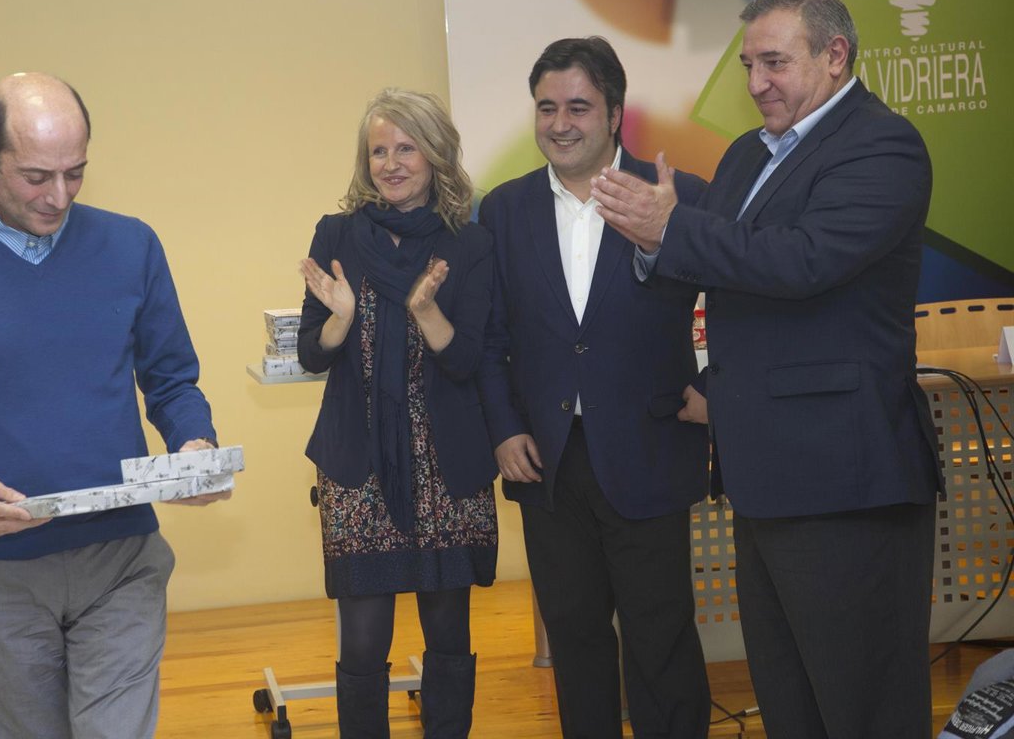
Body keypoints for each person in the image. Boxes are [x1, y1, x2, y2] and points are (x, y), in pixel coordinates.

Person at [592, 0, 942, 737]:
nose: (756, 83)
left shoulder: (882, 144)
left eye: (775, 63)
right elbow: (713, 263)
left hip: (846, 483)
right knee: (792, 703)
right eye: (749, 64)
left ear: (835, 55)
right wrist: (653, 243)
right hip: (763, 480)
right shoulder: (748, 154)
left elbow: (805, 260)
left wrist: (672, 229)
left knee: (863, 707)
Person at [0, 72, 230, 739]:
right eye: (36, 177)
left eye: (75, 173)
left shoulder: (132, 246)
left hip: (121, 558)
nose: (58, 196)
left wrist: (193, 446)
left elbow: (172, 380)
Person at [476, 36, 711, 738]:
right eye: (546, 107)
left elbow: (745, 304)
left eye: (578, 107)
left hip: (648, 445)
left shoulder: (676, 196)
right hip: (548, 462)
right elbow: (489, 337)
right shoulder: (504, 210)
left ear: (614, 113)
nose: (560, 123)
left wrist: (717, 388)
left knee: (660, 636)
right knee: (573, 638)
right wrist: (503, 427)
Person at [298, 88, 497, 738]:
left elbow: (467, 360)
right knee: (362, 641)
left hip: (444, 464)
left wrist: (427, 312)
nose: (390, 163)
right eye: (378, 151)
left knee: (448, 633)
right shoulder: (336, 235)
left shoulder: (468, 244)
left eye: (406, 148)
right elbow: (311, 352)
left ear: (436, 154)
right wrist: (341, 320)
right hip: (358, 464)